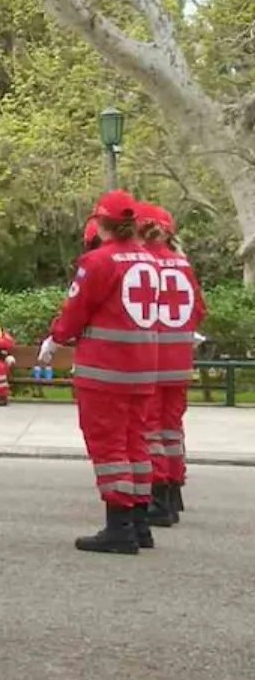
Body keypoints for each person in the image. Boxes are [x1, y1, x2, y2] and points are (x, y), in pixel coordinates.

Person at [38, 189, 162, 554]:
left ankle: (119, 526)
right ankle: (140, 522)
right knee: (136, 442)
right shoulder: (149, 260)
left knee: (109, 445)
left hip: (106, 367)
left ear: (100, 222)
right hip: (143, 366)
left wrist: (57, 337)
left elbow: (78, 308)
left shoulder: (98, 261)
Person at [140, 203, 204, 525]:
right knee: (172, 428)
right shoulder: (183, 265)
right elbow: (199, 309)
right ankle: (175, 489)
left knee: (149, 429)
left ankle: (159, 493)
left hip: (150, 359)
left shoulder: (143, 264)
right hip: (180, 360)